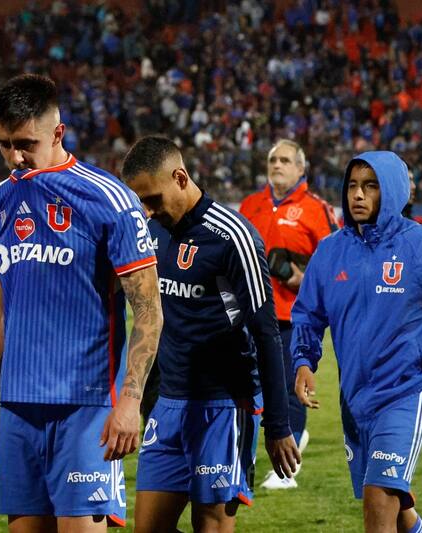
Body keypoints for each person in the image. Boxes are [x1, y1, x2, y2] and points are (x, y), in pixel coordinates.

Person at [0, 74, 162, 531]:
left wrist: (130, 402)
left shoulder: (108, 199)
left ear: (58, 132)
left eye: (24, 143)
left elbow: (149, 312)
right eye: (3, 144)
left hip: (87, 409)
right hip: (17, 411)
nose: (14, 157)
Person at [121, 136, 299, 533]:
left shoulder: (232, 236)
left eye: (153, 199)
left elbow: (266, 333)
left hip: (224, 405)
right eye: (141, 202)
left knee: (212, 526)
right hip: (169, 404)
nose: (148, 211)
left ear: (180, 177)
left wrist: (278, 425)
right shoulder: (152, 231)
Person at [292, 151, 422, 533]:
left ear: (394, 190)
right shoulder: (331, 251)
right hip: (354, 401)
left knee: (378, 499)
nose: (358, 196)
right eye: (352, 186)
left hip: (405, 393)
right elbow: (308, 315)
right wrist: (303, 361)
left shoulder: (417, 245)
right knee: (396, 508)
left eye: (371, 186)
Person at [239, 139, 338, 489]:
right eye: (272, 160)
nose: (277, 165)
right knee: (247, 389)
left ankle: (288, 468)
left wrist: (302, 280)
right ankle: (244, 458)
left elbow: (335, 262)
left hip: (291, 316)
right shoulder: (250, 205)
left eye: (284, 160)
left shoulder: (316, 209)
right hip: (248, 316)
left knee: (285, 388)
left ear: (300, 168)